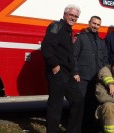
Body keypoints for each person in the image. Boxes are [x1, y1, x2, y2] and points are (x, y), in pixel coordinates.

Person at [41, 4, 84, 133]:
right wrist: (54, 66)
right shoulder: (56, 26)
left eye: (76, 16)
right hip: (57, 73)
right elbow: (47, 47)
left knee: (78, 100)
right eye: (71, 15)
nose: (73, 18)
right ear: (65, 14)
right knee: (56, 105)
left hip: (68, 73)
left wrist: (74, 71)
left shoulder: (69, 30)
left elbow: (69, 55)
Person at [73, 16, 108, 132]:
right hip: (82, 78)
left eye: (98, 24)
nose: (95, 26)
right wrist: (76, 72)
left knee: (93, 105)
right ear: (89, 23)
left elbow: (105, 60)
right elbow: (74, 57)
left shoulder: (100, 41)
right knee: (80, 106)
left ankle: (90, 129)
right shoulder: (81, 38)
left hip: (96, 79)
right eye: (94, 23)